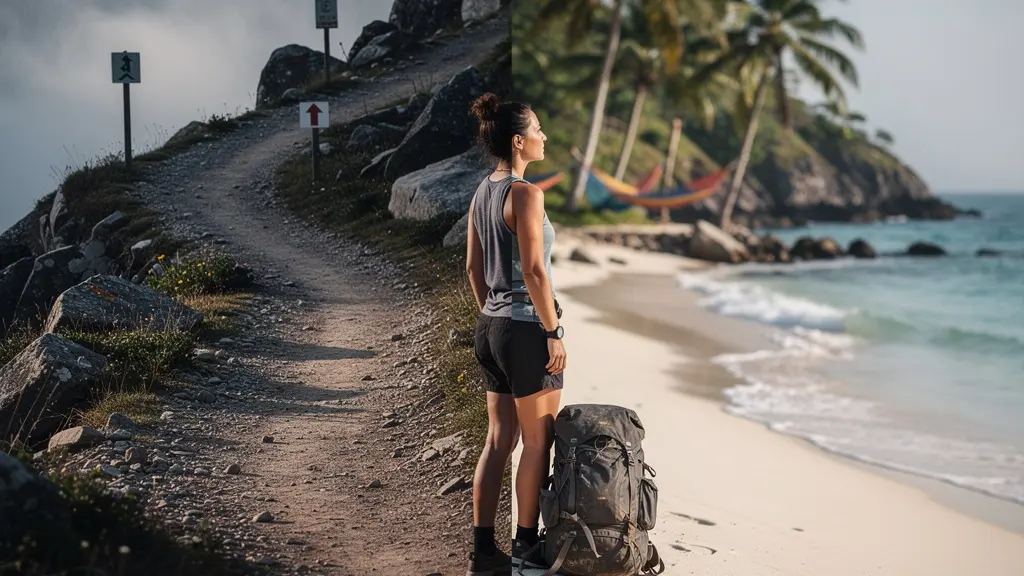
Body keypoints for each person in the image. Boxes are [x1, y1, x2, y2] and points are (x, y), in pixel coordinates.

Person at [463, 92, 566, 576]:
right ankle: (526, 553)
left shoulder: (483, 191)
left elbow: (472, 268)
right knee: (537, 442)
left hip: (490, 328)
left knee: (497, 441)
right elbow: (534, 271)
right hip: (525, 331)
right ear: (519, 141)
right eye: (539, 131)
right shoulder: (525, 194)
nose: (545, 137)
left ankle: (484, 556)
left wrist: (492, 313)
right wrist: (554, 330)